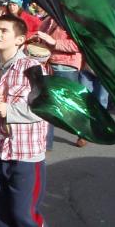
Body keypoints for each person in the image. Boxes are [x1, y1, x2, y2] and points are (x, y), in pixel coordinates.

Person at [0, 14, 48, 227]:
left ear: (19, 39)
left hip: (25, 154)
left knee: (24, 216)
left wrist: (10, 110)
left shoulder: (33, 68)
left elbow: (44, 109)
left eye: (4, 30)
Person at [31, 14, 82, 150]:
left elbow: (79, 44)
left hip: (66, 66)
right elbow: (42, 38)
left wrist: (54, 42)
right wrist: (37, 38)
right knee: (49, 105)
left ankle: (83, 129)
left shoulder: (73, 18)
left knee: (70, 107)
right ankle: (45, 144)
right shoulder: (49, 19)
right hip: (47, 64)